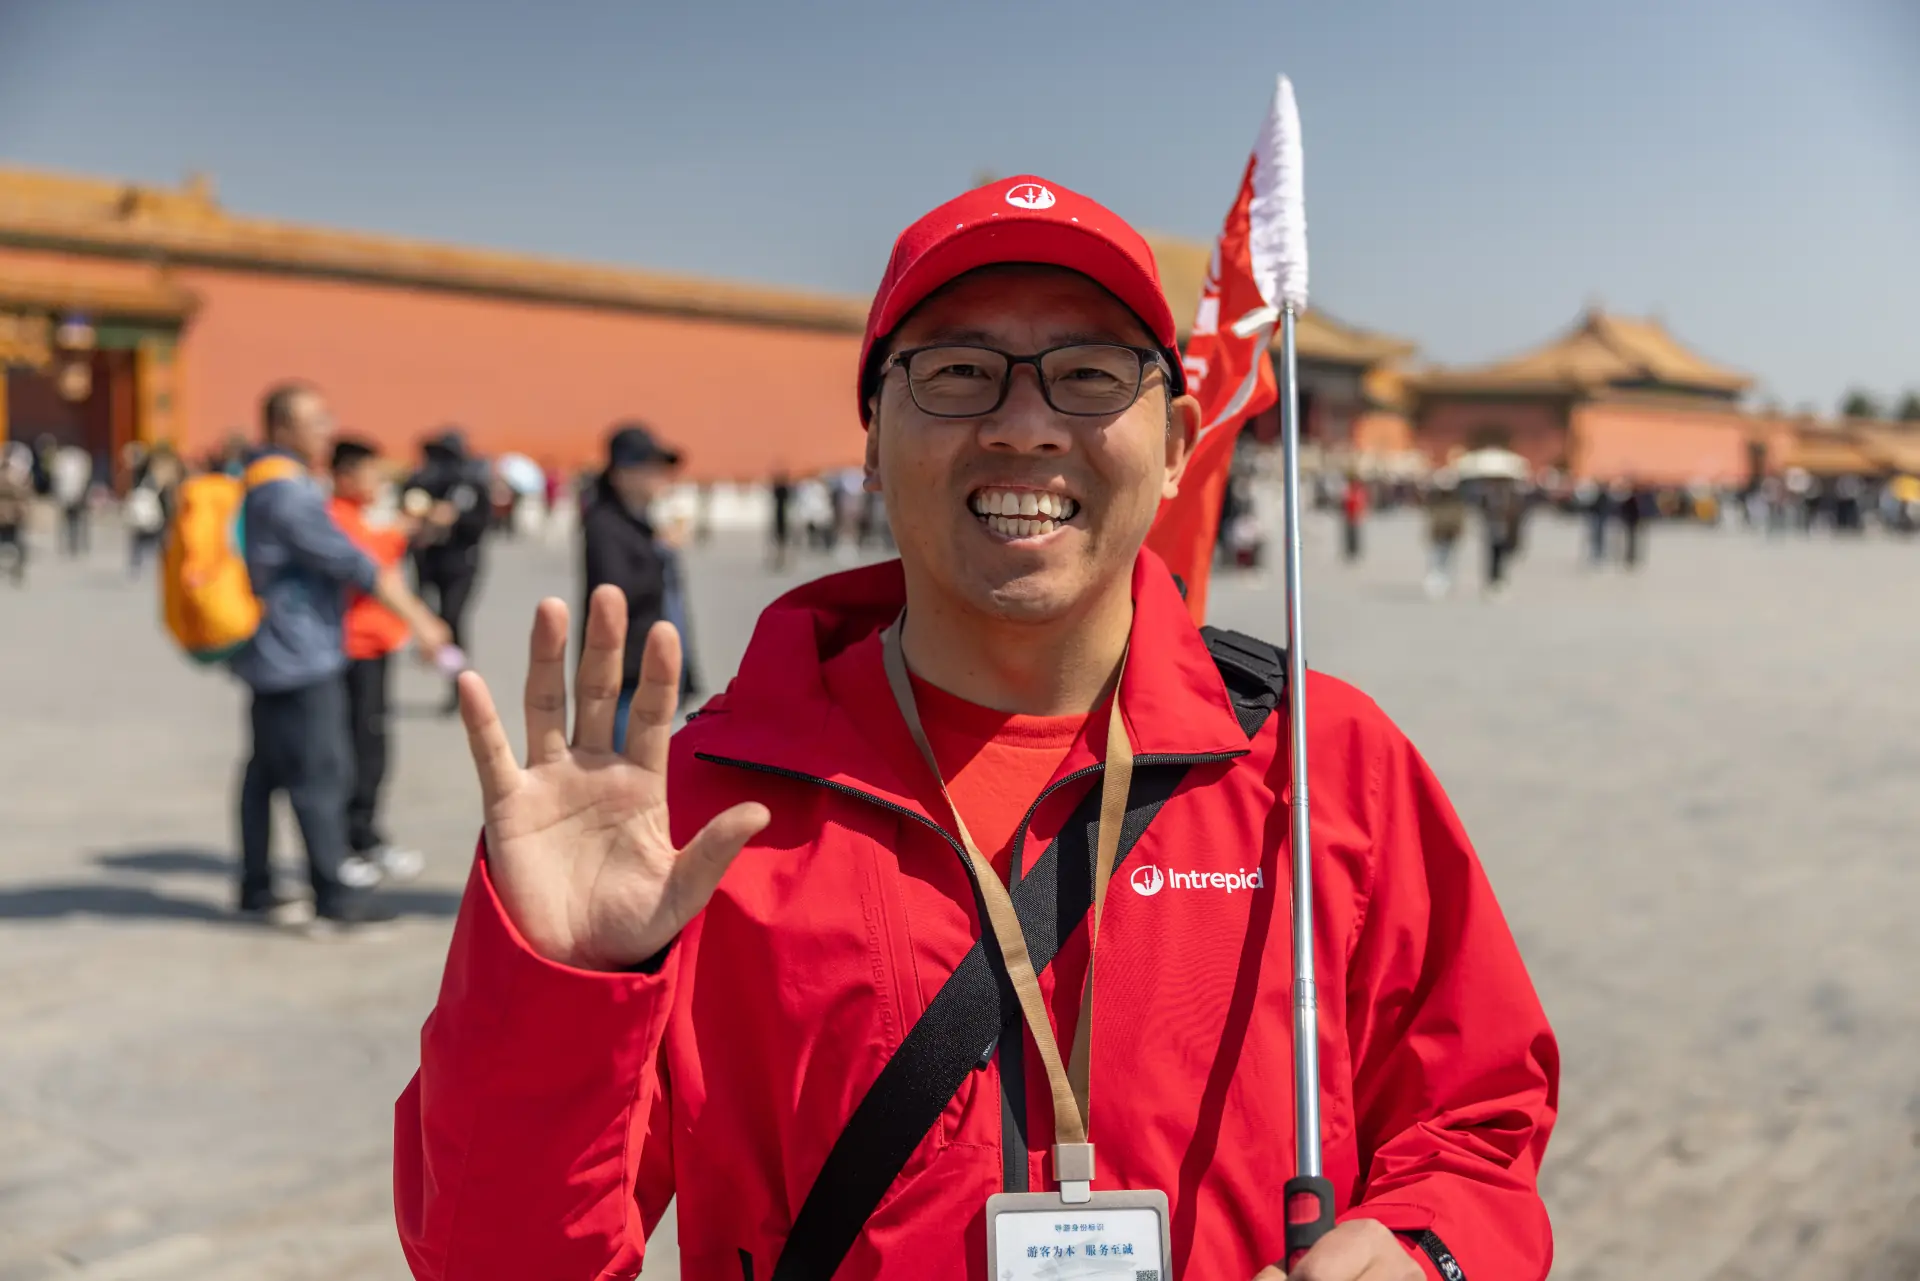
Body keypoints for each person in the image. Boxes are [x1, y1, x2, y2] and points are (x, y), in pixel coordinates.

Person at [397, 176, 1557, 1281]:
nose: (1025, 425)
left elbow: (1477, 1119)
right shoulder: (702, 813)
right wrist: (557, 988)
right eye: (958, 372)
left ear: (1178, 441)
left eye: (1090, 375)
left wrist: (1427, 1247)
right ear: (870, 436)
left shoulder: (1322, 764)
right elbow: (493, 1259)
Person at [233, 383, 451, 929]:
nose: (327, 431)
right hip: (301, 652)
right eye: (316, 421)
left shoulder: (257, 479)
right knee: (321, 771)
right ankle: (332, 893)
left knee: (265, 770)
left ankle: (256, 885)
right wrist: (423, 621)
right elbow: (354, 563)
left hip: (267, 649)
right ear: (282, 427)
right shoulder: (288, 492)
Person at [327, 437, 428, 884]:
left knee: (373, 746)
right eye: (371, 473)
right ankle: (351, 840)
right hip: (353, 648)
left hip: (377, 645)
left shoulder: (361, 516)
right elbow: (366, 564)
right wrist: (401, 530)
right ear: (346, 475)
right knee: (359, 747)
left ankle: (365, 834)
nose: (379, 482)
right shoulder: (336, 517)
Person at [580, 424, 696, 752]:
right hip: (627, 672)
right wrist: (660, 553)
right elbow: (614, 593)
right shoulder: (605, 524)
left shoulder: (640, 523)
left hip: (650, 666)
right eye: (649, 467)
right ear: (622, 474)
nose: (659, 477)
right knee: (628, 763)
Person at [405, 429, 491, 714]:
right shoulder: (421, 482)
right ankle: (449, 672)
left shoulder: (469, 485)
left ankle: (458, 685)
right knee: (430, 618)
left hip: (460, 564)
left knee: (452, 619)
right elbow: (408, 509)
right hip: (429, 563)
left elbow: (480, 523)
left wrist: (455, 518)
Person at [1423, 470, 1466, 598]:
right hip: (1439, 532)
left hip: (1450, 533)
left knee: (1447, 557)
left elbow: (1459, 519)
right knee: (1437, 557)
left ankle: (1445, 579)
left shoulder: (1457, 502)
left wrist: (1459, 531)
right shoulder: (1435, 501)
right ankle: (1436, 580)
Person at [50, 442, 92, 557]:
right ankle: (68, 545)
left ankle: (76, 544)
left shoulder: (79, 458)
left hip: (75, 495)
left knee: (77, 522)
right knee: (68, 522)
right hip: (68, 495)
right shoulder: (63, 459)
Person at [0, 450, 31, 585]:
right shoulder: (13, 477)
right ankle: (16, 568)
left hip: (9, 514)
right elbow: (22, 492)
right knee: (15, 542)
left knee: (12, 542)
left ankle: (14, 567)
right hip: (11, 514)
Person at [768, 466, 794, 570]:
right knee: (781, 541)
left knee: (779, 540)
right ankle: (781, 560)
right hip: (783, 517)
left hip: (781, 517)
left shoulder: (780, 490)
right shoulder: (784, 490)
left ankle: (780, 560)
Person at [1340, 468, 1367, 562]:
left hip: (1355, 516)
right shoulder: (1347, 491)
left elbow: (1361, 503)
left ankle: (1355, 551)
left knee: (1355, 535)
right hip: (1349, 516)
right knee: (1349, 535)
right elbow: (1344, 503)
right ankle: (1350, 551)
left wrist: (1361, 513)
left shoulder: (1357, 491)